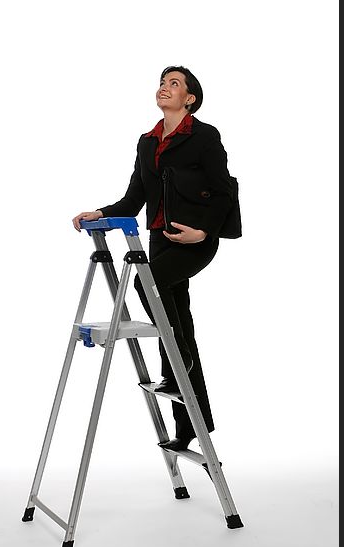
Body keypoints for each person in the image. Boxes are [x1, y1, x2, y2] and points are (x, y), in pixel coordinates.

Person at [72, 65, 234, 451]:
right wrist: (101, 211)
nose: (164, 88)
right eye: (162, 83)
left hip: (194, 240)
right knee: (179, 320)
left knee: (153, 286)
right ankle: (190, 426)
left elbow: (225, 191)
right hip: (160, 240)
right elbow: (135, 197)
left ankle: (181, 368)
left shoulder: (204, 136)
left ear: (189, 98)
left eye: (174, 84)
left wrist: (205, 231)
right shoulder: (148, 142)